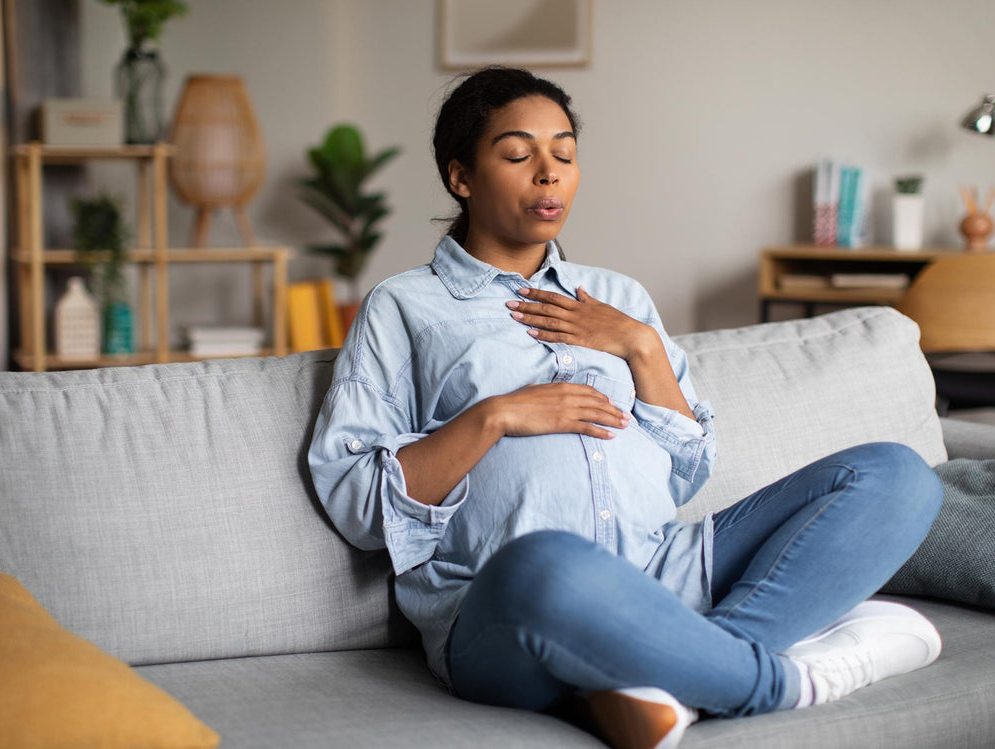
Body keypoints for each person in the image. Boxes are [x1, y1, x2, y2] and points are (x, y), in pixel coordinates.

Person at [308, 67, 944, 749]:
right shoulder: (406, 305)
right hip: (508, 602)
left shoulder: (618, 297)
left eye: (565, 153)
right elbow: (356, 502)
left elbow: (685, 471)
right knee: (546, 560)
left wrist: (640, 346)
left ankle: (675, 675)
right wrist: (493, 416)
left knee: (898, 475)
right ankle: (785, 681)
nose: (549, 174)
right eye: (519, 155)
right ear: (461, 176)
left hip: (665, 565)